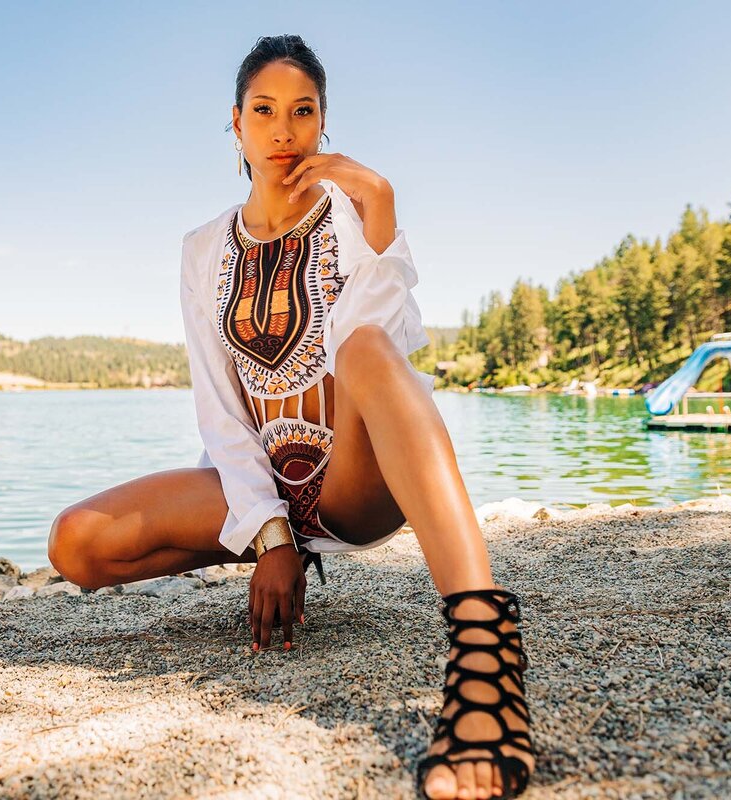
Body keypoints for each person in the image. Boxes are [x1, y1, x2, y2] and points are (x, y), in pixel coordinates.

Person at [47, 34, 536, 800]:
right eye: (265, 111)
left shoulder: (351, 215)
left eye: (303, 112)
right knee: (78, 543)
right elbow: (218, 402)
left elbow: (390, 353)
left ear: (323, 124)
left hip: (353, 482)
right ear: (235, 124)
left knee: (371, 346)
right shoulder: (202, 248)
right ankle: (282, 554)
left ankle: (484, 652)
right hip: (266, 484)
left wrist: (381, 211)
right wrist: (269, 531)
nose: (284, 130)